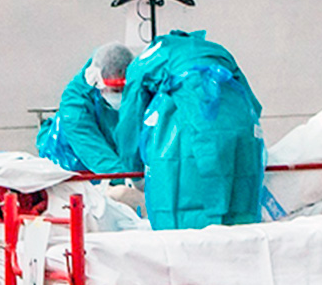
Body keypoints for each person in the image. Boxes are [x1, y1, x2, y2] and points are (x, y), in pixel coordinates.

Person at [113, 30, 263, 229]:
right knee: (239, 213)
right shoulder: (218, 52)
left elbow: (129, 124)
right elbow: (253, 105)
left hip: (184, 134)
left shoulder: (145, 61)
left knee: (184, 213)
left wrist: (134, 172)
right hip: (241, 132)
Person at [36, 43, 133, 174]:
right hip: (71, 163)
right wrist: (128, 179)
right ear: (96, 80)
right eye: (114, 90)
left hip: (114, 164)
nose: (118, 95)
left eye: (123, 90)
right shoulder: (75, 104)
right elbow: (93, 152)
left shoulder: (139, 89)